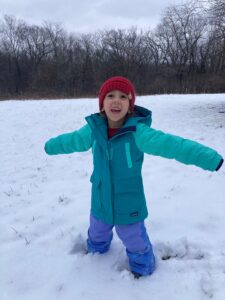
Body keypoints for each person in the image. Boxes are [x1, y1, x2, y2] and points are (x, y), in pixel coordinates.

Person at [44, 76, 224, 278]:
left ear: (130, 105)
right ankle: (95, 258)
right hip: (100, 200)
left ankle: (143, 270)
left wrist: (208, 158)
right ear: (102, 103)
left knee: (135, 240)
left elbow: (172, 145)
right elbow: (73, 140)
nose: (116, 101)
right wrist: (50, 146)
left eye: (123, 96)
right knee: (96, 234)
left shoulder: (139, 132)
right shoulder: (93, 131)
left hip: (129, 204)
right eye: (110, 96)